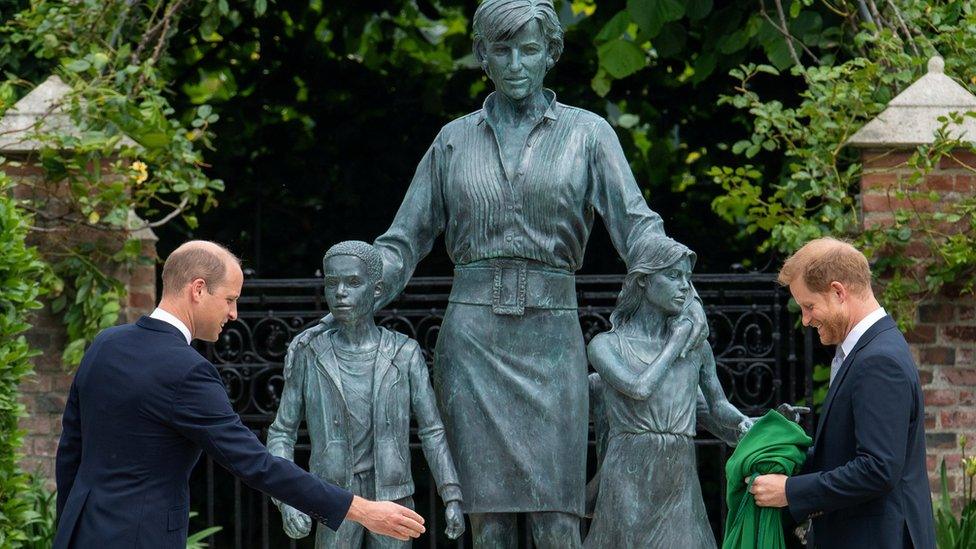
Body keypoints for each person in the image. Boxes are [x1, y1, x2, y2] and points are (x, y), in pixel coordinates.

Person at [292, 1, 708, 546]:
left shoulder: (589, 135)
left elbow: (638, 230)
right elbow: (402, 242)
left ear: (551, 54)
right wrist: (358, 286)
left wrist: (681, 284)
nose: (515, 63)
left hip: (552, 338)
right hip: (474, 344)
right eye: (502, 50)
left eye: (529, 50)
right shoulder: (452, 140)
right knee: (487, 522)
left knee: (559, 516)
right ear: (483, 56)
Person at [54, 240, 425, 549]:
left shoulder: (106, 344)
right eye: (230, 299)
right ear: (198, 290)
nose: (233, 313)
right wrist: (360, 509)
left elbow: (71, 449)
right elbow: (255, 464)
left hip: (80, 530)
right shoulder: (187, 371)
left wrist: (68, 523)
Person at [267, 241, 465, 547]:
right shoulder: (310, 354)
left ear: (376, 290)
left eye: (353, 282)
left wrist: (451, 495)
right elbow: (282, 433)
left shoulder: (404, 353)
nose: (341, 292)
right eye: (332, 283)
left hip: (393, 496)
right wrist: (286, 498)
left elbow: (432, 431)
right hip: (333, 498)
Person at [750, 237, 935, 549]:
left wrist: (791, 492)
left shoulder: (878, 360)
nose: (806, 320)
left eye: (809, 306)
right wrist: (785, 459)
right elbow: (848, 454)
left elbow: (878, 469)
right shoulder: (867, 350)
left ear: (838, 292)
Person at [584, 235, 750, 548]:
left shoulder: (696, 349)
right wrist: (676, 343)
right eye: (673, 276)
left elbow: (717, 408)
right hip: (629, 473)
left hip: (678, 475)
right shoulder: (607, 345)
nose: (685, 287)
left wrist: (751, 423)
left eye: (688, 278)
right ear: (643, 281)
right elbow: (639, 388)